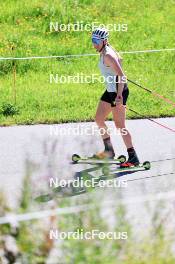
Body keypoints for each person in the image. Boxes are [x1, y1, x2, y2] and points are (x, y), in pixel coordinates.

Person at [92, 27, 140, 167]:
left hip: (117, 92)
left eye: (96, 41)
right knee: (99, 119)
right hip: (110, 90)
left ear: (104, 41)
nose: (94, 44)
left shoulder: (108, 55)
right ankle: (109, 151)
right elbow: (120, 60)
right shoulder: (104, 50)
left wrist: (119, 95)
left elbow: (122, 76)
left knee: (120, 126)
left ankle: (133, 158)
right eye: (92, 40)